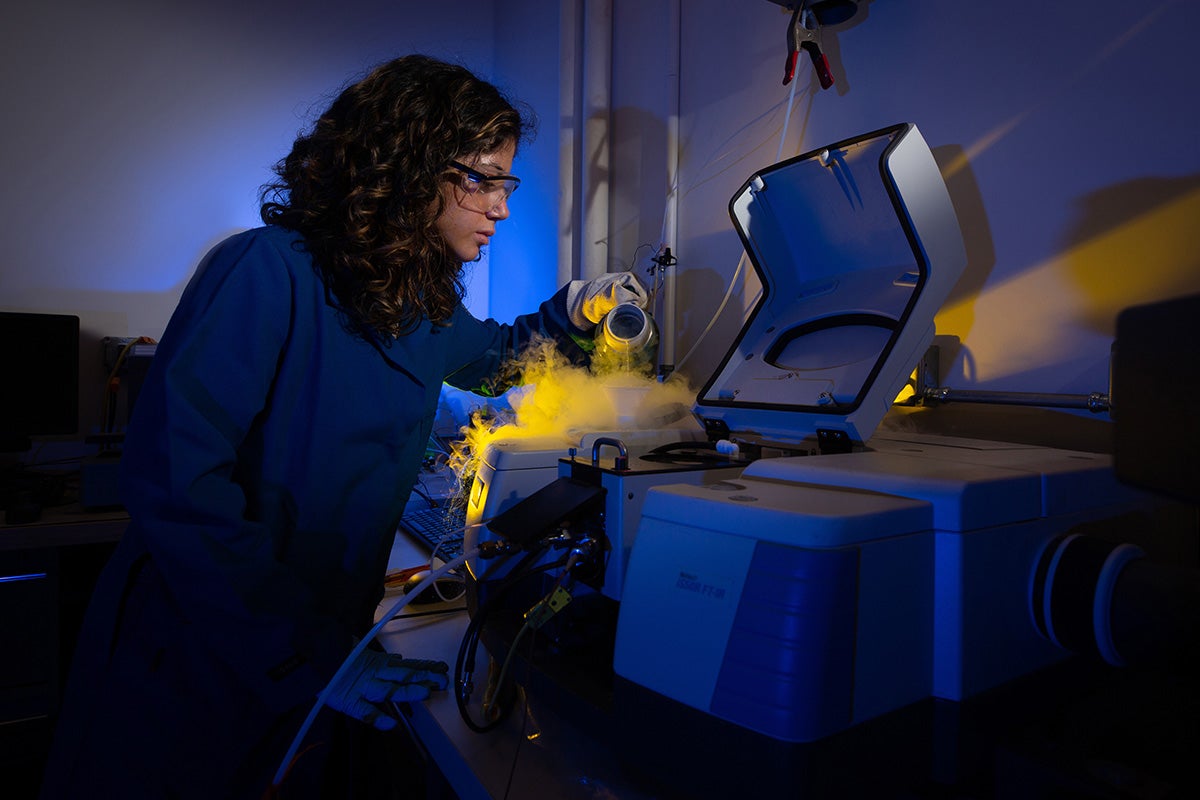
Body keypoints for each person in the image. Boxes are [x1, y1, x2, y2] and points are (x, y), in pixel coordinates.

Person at [40, 54, 646, 800]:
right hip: (203, 647)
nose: (501, 207)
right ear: (409, 166)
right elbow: (177, 485)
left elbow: (496, 359)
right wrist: (309, 653)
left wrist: (577, 308)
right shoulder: (267, 271)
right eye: (482, 178)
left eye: (505, 182)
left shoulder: (416, 305)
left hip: (313, 638)